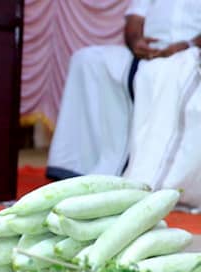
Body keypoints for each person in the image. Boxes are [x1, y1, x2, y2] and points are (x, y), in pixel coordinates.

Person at [45, 0, 201, 190]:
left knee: (164, 75)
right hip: (147, 53)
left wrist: (187, 45)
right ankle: (75, 165)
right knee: (86, 60)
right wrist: (136, 42)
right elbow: (134, 21)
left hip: (190, 53)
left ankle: (148, 173)